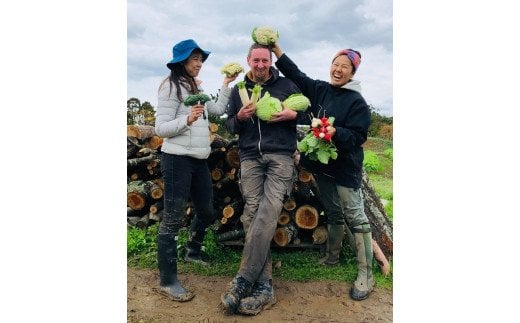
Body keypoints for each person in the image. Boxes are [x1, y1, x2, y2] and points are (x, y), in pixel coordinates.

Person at [271, 42, 374, 301]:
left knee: (355, 216)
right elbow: (297, 75)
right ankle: (332, 257)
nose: (338, 70)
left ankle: (367, 273)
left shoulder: (357, 102)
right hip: (323, 166)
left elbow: (359, 136)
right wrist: (276, 49)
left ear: (352, 73)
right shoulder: (321, 90)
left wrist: (336, 132)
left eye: (345, 67)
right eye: (335, 65)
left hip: (346, 168)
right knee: (334, 212)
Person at [220, 43, 303, 315]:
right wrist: (240, 117)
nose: (259, 65)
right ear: (248, 61)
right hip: (249, 158)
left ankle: (244, 280)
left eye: (264, 60)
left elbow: (307, 110)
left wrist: (293, 114)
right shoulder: (238, 90)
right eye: (254, 60)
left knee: (267, 212)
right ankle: (264, 286)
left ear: (270, 61)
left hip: (280, 157)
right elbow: (229, 124)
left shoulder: (287, 85)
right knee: (250, 215)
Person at [154, 39, 238, 302]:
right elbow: (161, 129)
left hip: (199, 160)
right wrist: (187, 119)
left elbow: (216, 110)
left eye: (201, 59)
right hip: (177, 160)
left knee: (207, 210)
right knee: (172, 218)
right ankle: (167, 281)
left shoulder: (195, 87)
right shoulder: (170, 87)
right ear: (182, 62)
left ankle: (193, 251)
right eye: (195, 59)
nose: (199, 64)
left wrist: (225, 84)